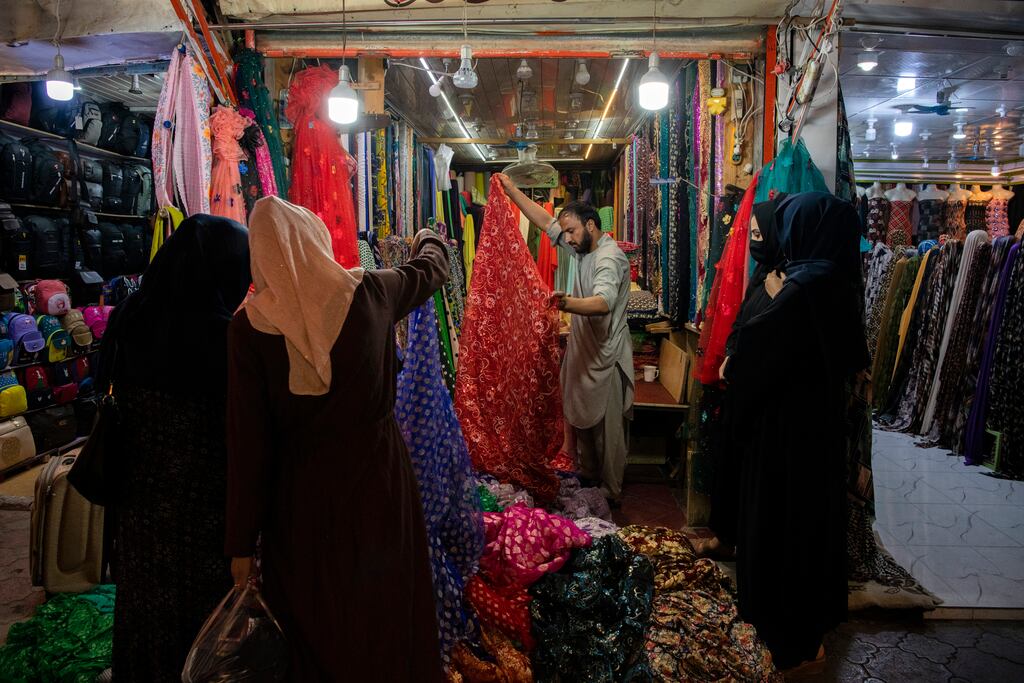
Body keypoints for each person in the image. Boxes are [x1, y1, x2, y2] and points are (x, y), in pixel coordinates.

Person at [225, 196, 449, 681]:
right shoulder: (370, 291)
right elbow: (432, 270)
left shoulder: (249, 326)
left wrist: (240, 543)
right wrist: (428, 239)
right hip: (379, 481)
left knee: (316, 617)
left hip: (301, 501)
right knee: (383, 604)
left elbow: (249, 445)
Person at [100, 215, 251, 682]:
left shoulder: (130, 316)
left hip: (138, 506)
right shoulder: (228, 337)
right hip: (204, 515)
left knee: (144, 613)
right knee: (204, 627)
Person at [724, 192, 867, 671]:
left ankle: (785, 642)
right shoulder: (839, 283)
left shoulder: (801, 289)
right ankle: (808, 637)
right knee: (809, 533)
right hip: (818, 435)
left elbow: (752, 358)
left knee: (779, 533)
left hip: (781, 437)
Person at [497, 173, 634, 505]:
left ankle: (612, 495)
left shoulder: (607, 258)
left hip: (608, 357)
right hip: (586, 354)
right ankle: (589, 480)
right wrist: (512, 190)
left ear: (590, 226)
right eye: (566, 232)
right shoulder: (584, 250)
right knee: (585, 428)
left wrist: (564, 303)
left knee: (608, 434)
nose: (567, 239)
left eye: (571, 231)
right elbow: (546, 221)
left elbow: (603, 303)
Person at [694, 193, 787, 560]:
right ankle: (725, 537)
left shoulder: (792, 280)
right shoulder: (765, 273)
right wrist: (730, 352)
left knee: (752, 473)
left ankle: (745, 543)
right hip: (741, 385)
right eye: (751, 234)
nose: (754, 242)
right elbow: (744, 321)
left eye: (760, 234)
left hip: (765, 396)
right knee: (730, 465)